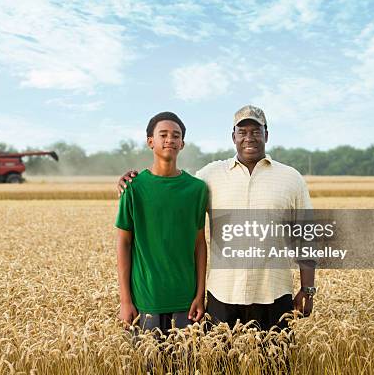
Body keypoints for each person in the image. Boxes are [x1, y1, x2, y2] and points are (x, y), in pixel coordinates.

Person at [117, 106, 316, 332]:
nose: (249, 137)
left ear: (266, 135)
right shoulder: (210, 175)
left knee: (276, 365)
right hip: (223, 297)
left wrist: (307, 289)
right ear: (233, 137)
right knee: (220, 364)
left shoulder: (291, 178)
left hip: (274, 294)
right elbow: (172, 184)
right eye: (242, 132)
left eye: (256, 131)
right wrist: (130, 180)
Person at [115, 111, 209, 335]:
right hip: (145, 301)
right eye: (163, 134)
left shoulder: (197, 189)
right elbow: (123, 243)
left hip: (186, 302)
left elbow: (199, 243)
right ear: (150, 141)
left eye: (176, 136)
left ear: (182, 144)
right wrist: (125, 300)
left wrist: (200, 295)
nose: (170, 140)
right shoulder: (133, 188)